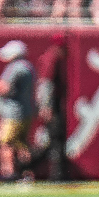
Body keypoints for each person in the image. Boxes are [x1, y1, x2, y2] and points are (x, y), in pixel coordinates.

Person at [0, 40, 37, 183]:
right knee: (21, 143)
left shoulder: (14, 67)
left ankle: (8, 172)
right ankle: (27, 173)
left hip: (13, 113)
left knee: (5, 142)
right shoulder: (29, 67)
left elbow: (3, 87)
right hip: (26, 111)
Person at [34, 35, 67, 181]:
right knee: (54, 140)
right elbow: (45, 84)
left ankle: (58, 173)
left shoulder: (51, 57)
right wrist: (45, 106)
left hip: (52, 103)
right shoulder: (52, 57)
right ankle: (26, 165)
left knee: (53, 140)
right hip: (51, 104)